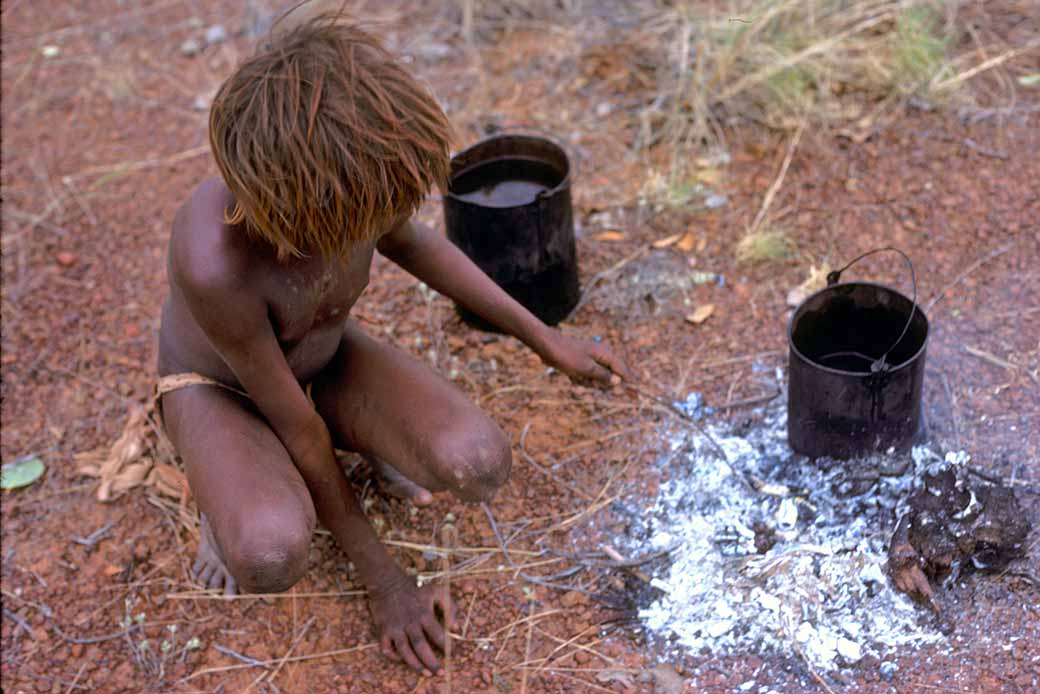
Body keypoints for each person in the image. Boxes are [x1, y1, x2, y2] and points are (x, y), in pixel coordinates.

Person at [156, 9, 628, 676]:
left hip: (322, 359)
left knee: (479, 461)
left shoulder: (350, 182)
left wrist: (545, 338)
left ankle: (368, 436)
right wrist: (386, 582)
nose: (377, 227)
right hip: (225, 391)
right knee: (268, 551)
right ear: (293, 205)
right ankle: (222, 495)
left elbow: (415, 242)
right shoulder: (216, 262)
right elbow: (301, 431)